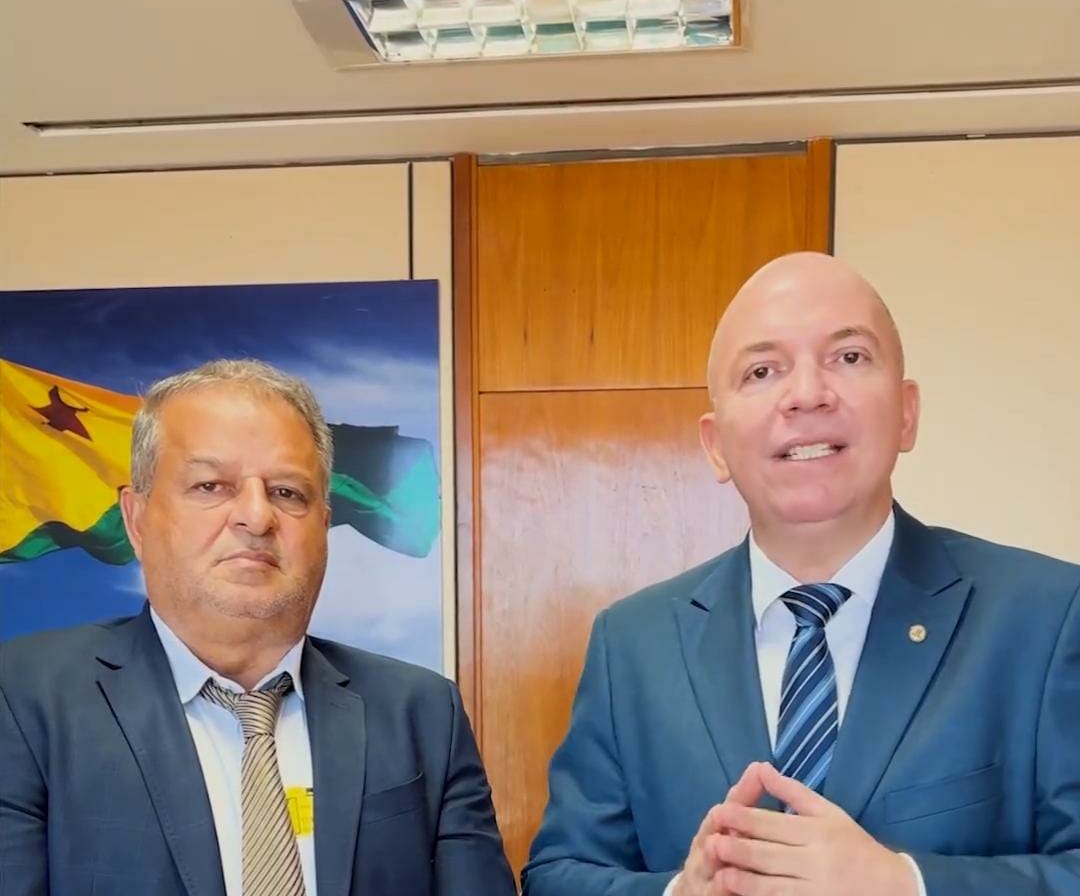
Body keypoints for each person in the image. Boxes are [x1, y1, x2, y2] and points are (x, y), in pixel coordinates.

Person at [522, 252, 1080, 896]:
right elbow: (555, 877)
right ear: (715, 445)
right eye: (762, 371)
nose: (808, 394)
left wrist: (906, 883)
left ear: (906, 413)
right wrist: (681, 893)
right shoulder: (631, 645)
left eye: (849, 357)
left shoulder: (1046, 616)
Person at [0, 358, 516, 896]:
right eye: (210, 486)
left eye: (287, 492)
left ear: (323, 526)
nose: (256, 516)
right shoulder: (21, 698)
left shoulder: (423, 713)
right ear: (136, 519)